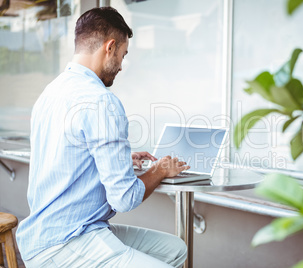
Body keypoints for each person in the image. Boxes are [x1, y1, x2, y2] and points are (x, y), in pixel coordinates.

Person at [16, 7, 189, 268]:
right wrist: (160, 170)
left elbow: (67, 152)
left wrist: (120, 159)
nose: (121, 65)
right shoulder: (101, 101)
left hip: (50, 234)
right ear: (110, 47)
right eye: (123, 54)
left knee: (174, 249)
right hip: (66, 243)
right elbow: (124, 198)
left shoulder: (51, 92)